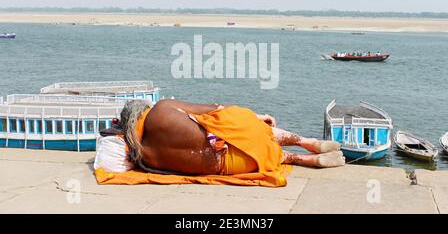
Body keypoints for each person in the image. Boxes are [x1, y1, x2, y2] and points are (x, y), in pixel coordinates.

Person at [108, 99, 345, 177]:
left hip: (235, 165)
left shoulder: (143, 158)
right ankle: (306, 142)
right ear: (142, 110)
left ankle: (300, 159)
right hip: (244, 140)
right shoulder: (160, 109)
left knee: (267, 154)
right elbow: (214, 108)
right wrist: (256, 116)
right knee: (234, 118)